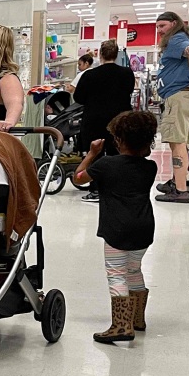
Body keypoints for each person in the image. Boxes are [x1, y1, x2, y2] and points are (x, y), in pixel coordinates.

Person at [74, 111, 158, 344]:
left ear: (119, 140)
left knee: (116, 273)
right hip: (144, 227)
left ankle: (121, 326)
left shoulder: (106, 165)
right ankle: (137, 319)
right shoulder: (149, 167)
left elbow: (78, 177)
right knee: (134, 270)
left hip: (116, 228)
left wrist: (91, 154)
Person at [153, 11, 189, 203]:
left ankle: (181, 190)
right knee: (182, 142)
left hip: (180, 96)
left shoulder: (176, 39)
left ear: (174, 24)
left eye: (162, 26)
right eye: (157, 26)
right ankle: (177, 181)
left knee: (177, 143)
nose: (159, 30)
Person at [73, 40, 135, 202]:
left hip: (95, 120)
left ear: (100, 54)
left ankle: (96, 190)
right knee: (118, 153)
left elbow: (78, 97)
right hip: (120, 120)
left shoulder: (89, 75)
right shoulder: (127, 73)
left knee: (95, 154)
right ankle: (116, 187)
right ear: (116, 54)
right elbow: (129, 91)